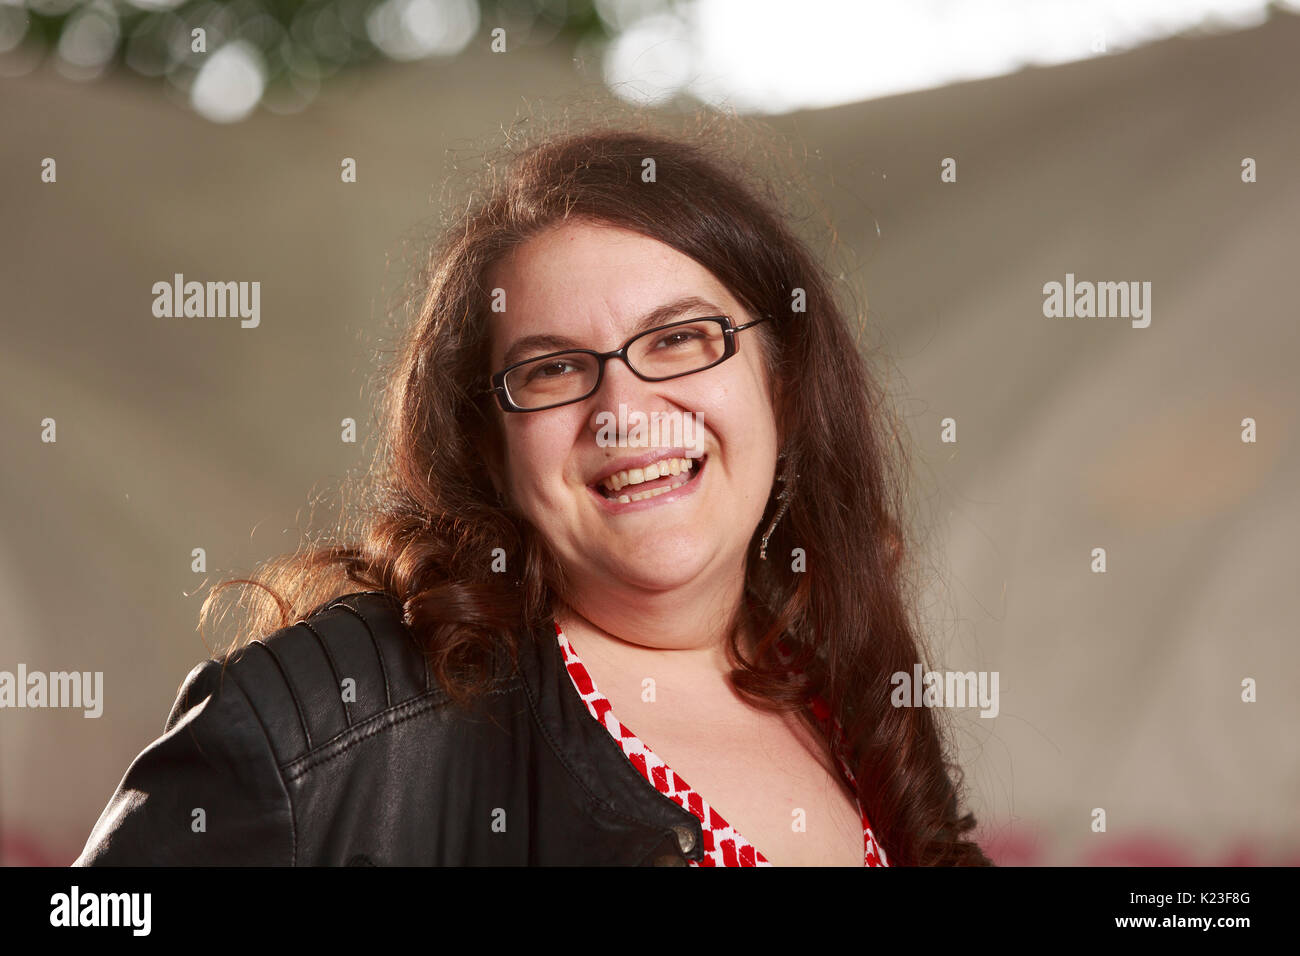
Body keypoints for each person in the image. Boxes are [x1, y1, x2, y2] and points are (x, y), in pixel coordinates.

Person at [74, 114, 991, 867]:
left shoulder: (855, 696)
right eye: (553, 370)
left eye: (679, 339)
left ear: (781, 388)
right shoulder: (330, 719)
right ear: (491, 443)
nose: (624, 412)